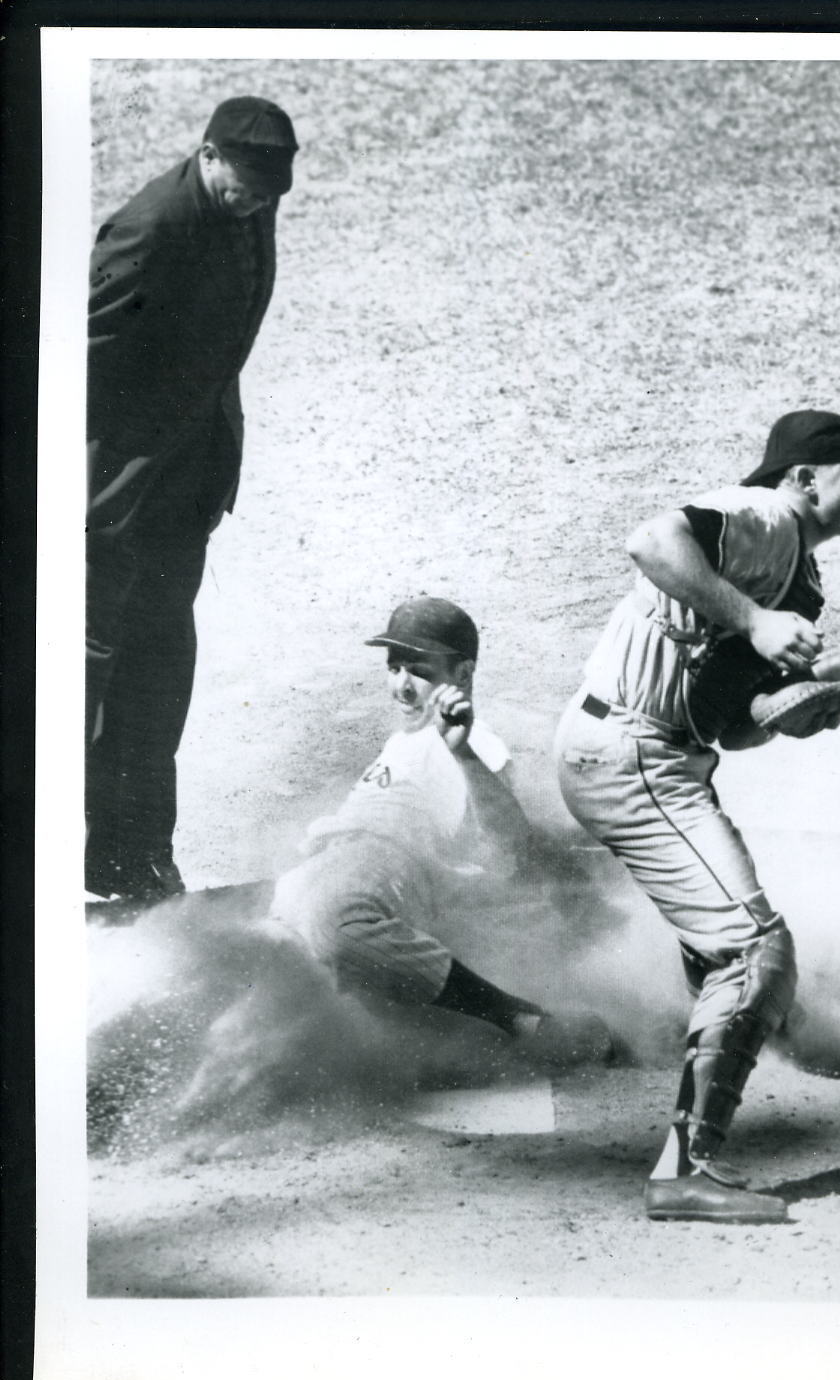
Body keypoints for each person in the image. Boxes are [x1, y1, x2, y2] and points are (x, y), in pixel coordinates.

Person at [554, 409, 840, 1223]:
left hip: (650, 753)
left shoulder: (796, 577)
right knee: (754, 950)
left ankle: (709, 1058)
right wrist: (755, 620)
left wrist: (801, 708)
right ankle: (684, 1170)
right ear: (805, 479)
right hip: (631, 753)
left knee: (729, 951)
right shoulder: (767, 517)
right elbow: (650, 541)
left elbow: (729, 720)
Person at [86, 96, 299, 901]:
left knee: (157, 682)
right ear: (207, 155)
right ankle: (59, 872)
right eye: (242, 186)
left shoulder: (249, 204)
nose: (254, 203)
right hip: (114, 505)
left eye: (267, 194)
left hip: (186, 490)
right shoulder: (151, 230)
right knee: (84, 688)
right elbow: (73, 364)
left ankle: (137, 860)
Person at [267, 597, 612, 1064]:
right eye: (394, 668)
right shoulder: (402, 741)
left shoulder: (472, 739)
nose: (402, 686)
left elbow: (509, 840)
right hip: (315, 873)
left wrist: (463, 750)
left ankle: (519, 1018)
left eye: (419, 670)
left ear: (464, 674)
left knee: (337, 928)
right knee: (245, 963)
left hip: (380, 865)